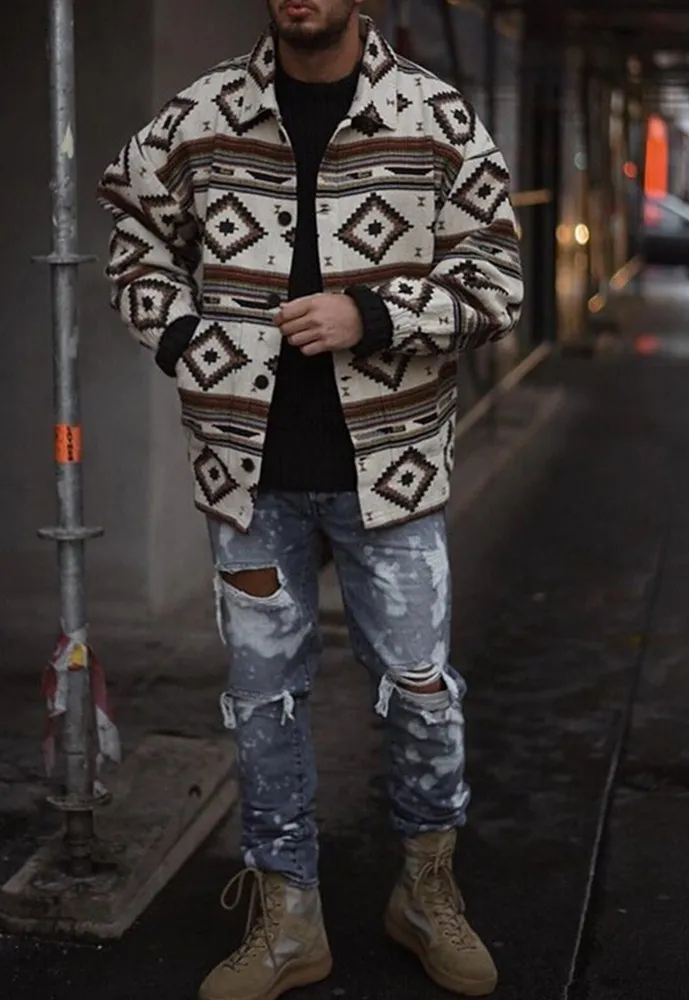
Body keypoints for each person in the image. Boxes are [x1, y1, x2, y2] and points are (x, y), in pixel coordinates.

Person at [99, 2, 523, 998]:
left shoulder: (432, 114)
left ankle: (425, 890)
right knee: (263, 700)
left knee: (420, 690)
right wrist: (181, 336)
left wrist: (372, 313)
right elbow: (131, 223)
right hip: (248, 475)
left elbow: (498, 278)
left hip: (392, 472)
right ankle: (288, 915)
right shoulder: (205, 113)